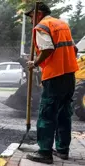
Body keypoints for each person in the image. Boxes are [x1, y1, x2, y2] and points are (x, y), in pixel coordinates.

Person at [24, 2, 79, 164]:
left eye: (31, 16)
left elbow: (47, 48)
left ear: (39, 13)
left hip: (54, 76)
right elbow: (74, 49)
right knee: (64, 113)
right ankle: (63, 150)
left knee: (47, 113)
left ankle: (45, 152)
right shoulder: (62, 24)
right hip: (69, 75)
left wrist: (34, 63)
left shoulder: (42, 27)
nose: (30, 21)